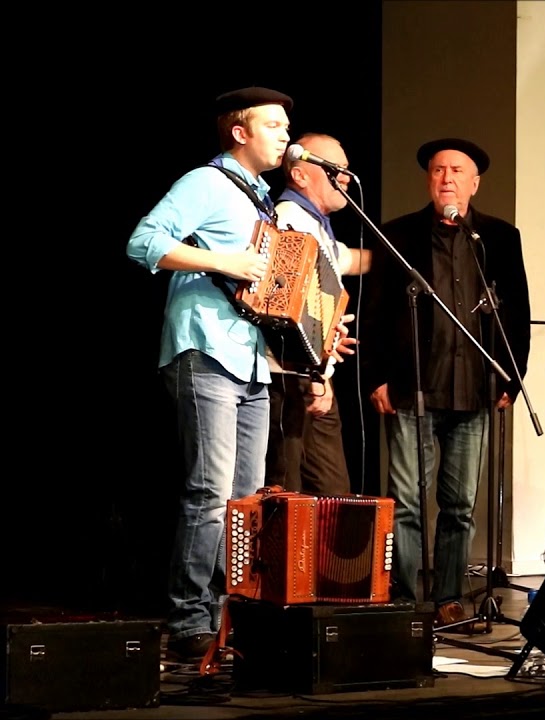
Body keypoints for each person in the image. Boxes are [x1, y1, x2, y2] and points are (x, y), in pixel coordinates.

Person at [126, 87, 353, 662]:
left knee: (245, 501)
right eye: (274, 126)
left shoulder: (262, 201)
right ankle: (188, 623)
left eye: (286, 126)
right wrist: (223, 261)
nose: (286, 136)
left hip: (251, 361)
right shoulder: (205, 183)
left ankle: (229, 619)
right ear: (240, 133)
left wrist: (318, 342)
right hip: (203, 350)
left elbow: (276, 293)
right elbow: (143, 242)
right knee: (208, 493)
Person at [362, 138, 530, 632]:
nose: (447, 178)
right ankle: (410, 597)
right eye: (438, 171)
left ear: (475, 183)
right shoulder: (397, 235)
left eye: (457, 170)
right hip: (415, 386)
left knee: (459, 505)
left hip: (475, 388)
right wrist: (375, 376)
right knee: (408, 501)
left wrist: (511, 378)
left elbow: (515, 314)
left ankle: (449, 596)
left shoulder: (499, 238)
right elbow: (373, 314)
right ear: (428, 181)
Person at [267, 132, 373, 497]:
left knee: (334, 497)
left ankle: (318, 558)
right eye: (334, 169)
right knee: (287, 495)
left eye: (345, 169)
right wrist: (317, 376)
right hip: (290, 378)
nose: (345, 178)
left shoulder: (317, 225)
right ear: (300, 175)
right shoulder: (288, 221)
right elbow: (291, 310)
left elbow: (348, 259)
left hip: (314, 376)